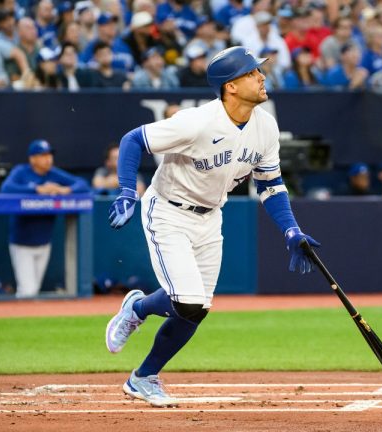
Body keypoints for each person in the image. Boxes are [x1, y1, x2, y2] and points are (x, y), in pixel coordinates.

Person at [104, 46, 321, 407]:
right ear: (231, 86)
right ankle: (138, 310)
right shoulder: (198, 122)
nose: (262, 76)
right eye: (252, 73)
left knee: (198, 309)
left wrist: (291, 231)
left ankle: (143, 375)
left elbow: (270, 185)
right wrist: (128, 190)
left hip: (210, 216)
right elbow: (133, 140)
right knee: (187, 302)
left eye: (258, 71)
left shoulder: (265, 125)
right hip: (168, 211)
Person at [0, 139, 90, 298]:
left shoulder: (53, 173)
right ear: (32, 158)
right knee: (27, 291)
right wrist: (37, 189)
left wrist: (65, 190)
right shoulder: (22, 171)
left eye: (49, 155)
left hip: (44, 242)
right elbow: (6, 188)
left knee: (33, 290)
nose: (48, 159)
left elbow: (82, 183)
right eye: (42, 155)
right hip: (22, 243)